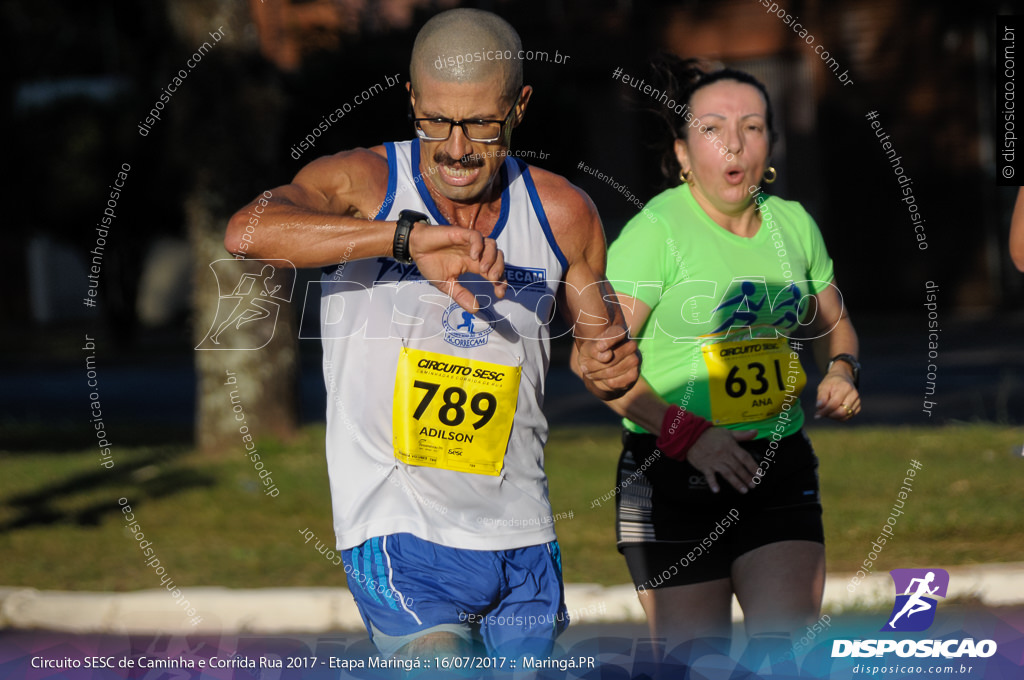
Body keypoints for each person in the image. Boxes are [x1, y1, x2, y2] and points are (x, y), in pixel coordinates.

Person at [223, 8, 639, 659]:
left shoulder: (563, 213)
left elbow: (602, 351)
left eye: (480, 123)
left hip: (522, 536)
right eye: (436, 120)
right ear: (412, 99)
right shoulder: (367, 182)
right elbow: (249, 231)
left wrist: (609, 362)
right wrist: (407, 239)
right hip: (400, 532)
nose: (455, 147)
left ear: (519, 106)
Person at [572, 57, 861, 658]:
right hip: (672, 469)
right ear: (681, 154)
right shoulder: (658, 232)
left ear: (771, 144)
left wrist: (841, 369)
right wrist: (689, 434)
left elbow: (839, 324)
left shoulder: (795, 226)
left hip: (775, 466)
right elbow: (594, 366)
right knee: (693, 667)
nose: (734, 141)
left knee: (788, 659)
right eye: (712, 127)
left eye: (752, 126)